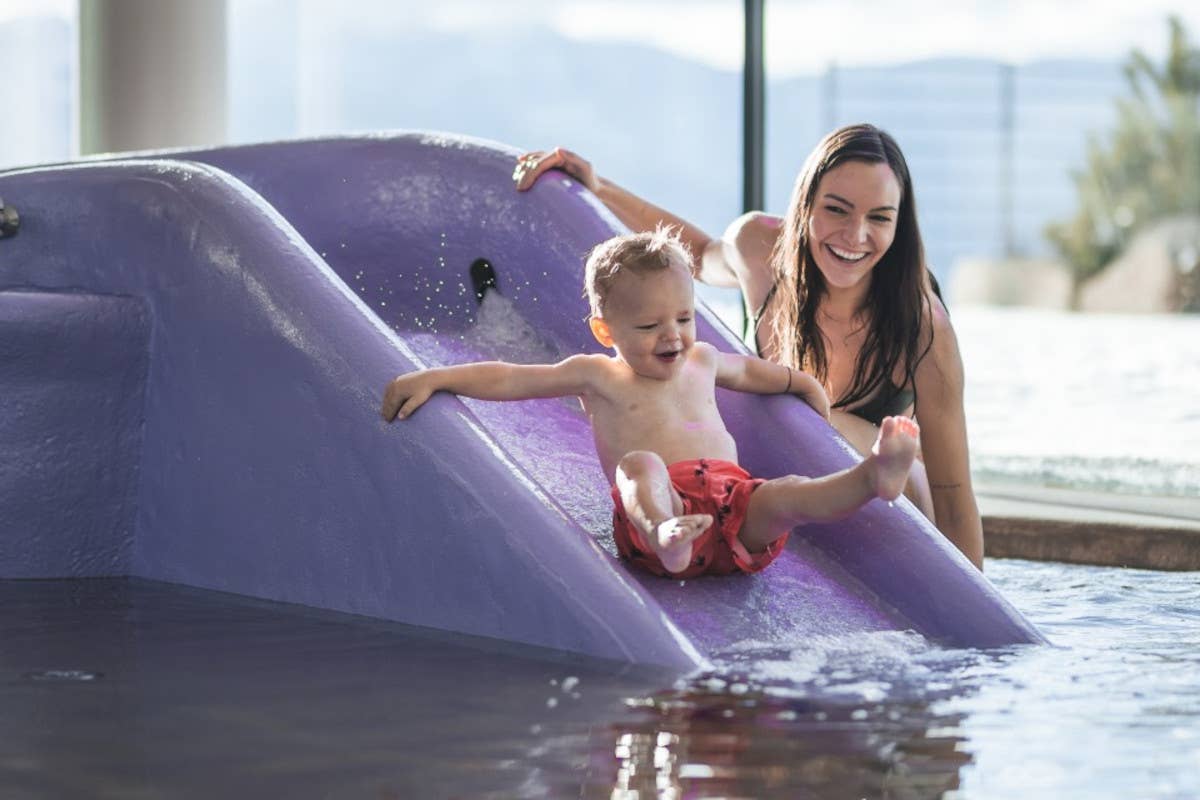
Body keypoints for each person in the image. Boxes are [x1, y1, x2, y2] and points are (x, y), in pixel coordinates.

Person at [512, 124, 983, 570]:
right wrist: (599, 187)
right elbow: (695, 256)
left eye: (879, 218)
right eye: (836, 209)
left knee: (775, 406)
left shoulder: (922, 325)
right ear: (805, 205)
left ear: (899, 224)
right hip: (780, 493)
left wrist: (989, 631)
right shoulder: (761, 247)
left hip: (895, 505)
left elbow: (953, 490)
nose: (855, 236)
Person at [381, 229, 920, 579]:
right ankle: (665, 534)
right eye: (648, 326)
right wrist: (438, 376)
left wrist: (803, 383)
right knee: (640, 467)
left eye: (684, 319)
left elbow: (757, 373)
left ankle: (871, 478)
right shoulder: (598, 375)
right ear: (604, 330)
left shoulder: (704, 359)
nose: (673, 336)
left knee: (788, 496)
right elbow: (511, 378)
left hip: (732, 507)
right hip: (658, 519)